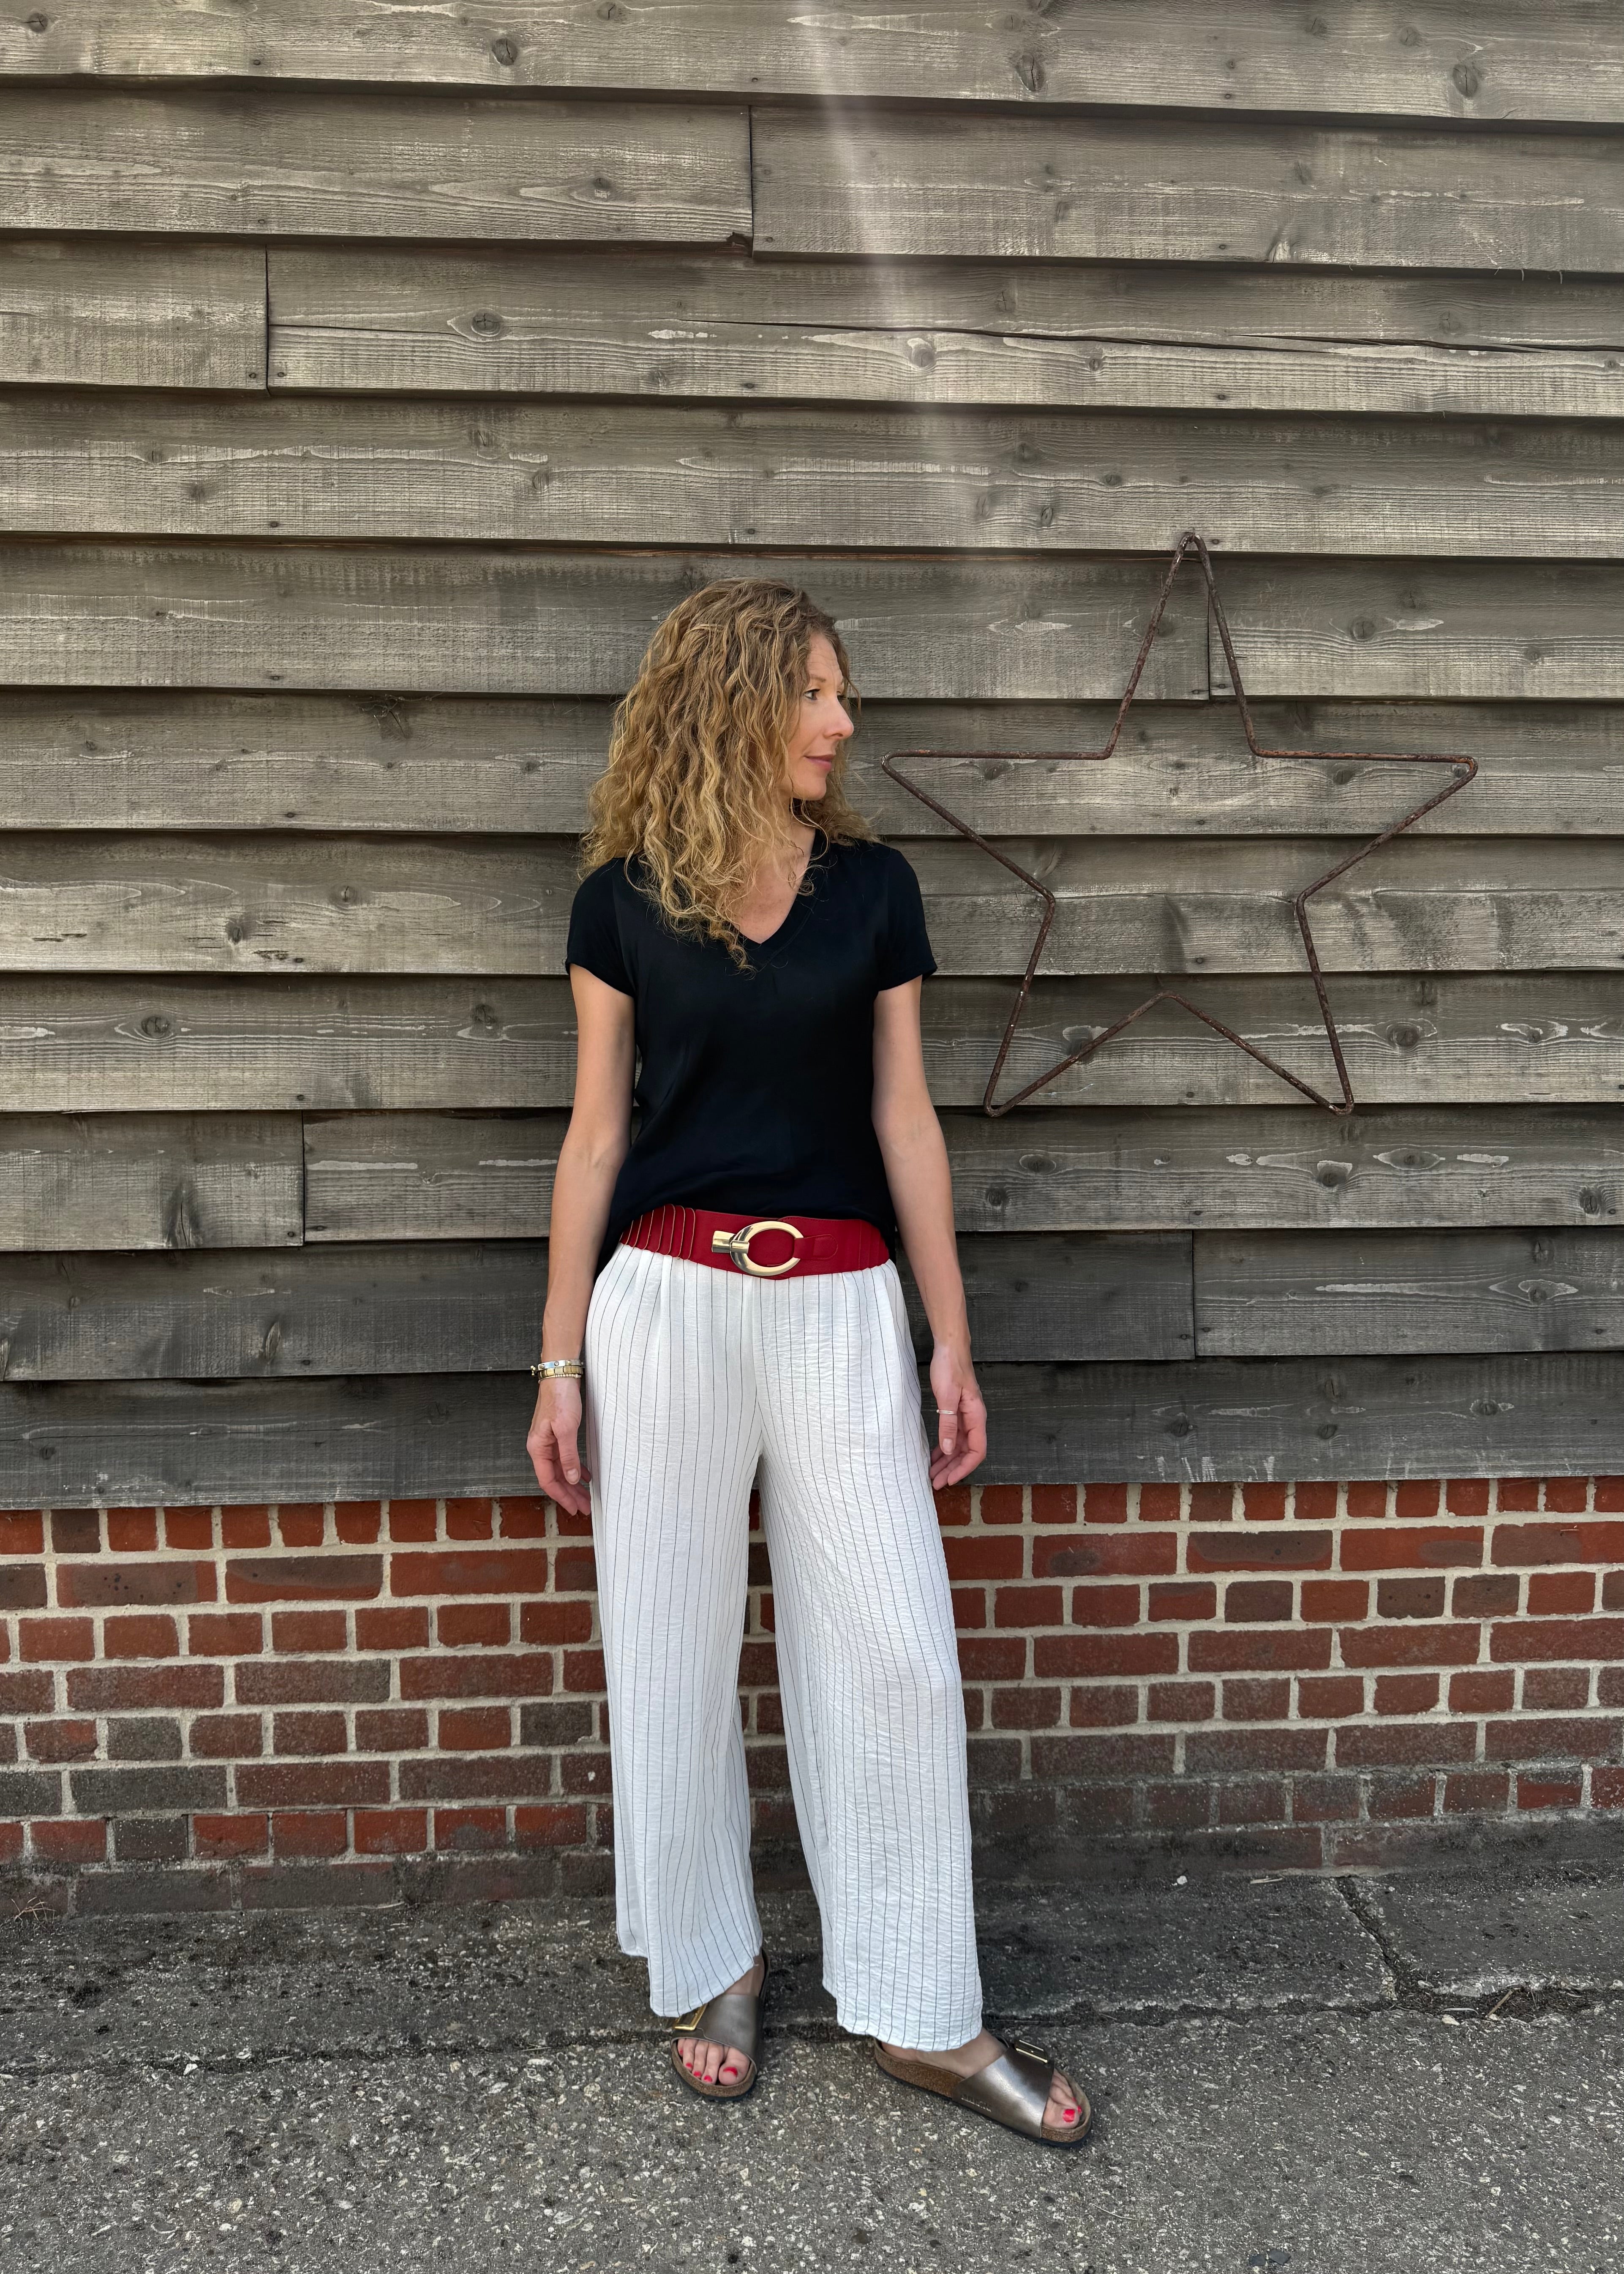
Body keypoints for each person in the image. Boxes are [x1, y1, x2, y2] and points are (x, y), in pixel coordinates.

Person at [526, 578, 1088, 2148]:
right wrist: (557, 1359)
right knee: (670, 1644)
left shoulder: (877, 891)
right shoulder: (620, 901)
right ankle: (713, 1960)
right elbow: (592, 1141)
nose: (843, 723)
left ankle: (922, 2010)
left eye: (844, 694)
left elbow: (904, 1120)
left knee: (895, 1650)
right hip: (662, 1307)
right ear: (736, 697)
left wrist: (948, 1334)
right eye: (818, 694)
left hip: (841, 1302)